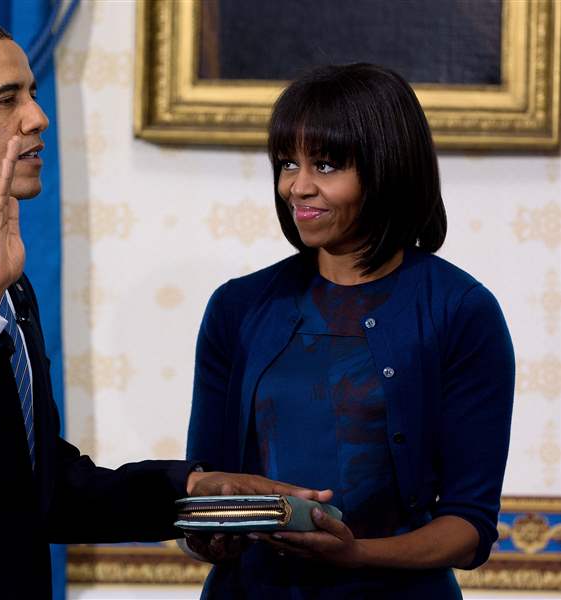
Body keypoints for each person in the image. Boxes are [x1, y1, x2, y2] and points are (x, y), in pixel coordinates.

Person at [0, 18, 324, 600]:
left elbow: (42, 489)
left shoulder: (1, 276)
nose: (37, 118)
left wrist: (192, 489)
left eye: (33, 93)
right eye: (7, 99)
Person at [185, 63, 515, 598]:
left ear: (388, 169)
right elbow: (205, 482)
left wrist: (354, 553)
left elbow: (468, 528)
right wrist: (206, 534)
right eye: (288, 163)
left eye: (327, 164)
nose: (298, 186)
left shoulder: (460, 310)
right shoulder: (238, 306)